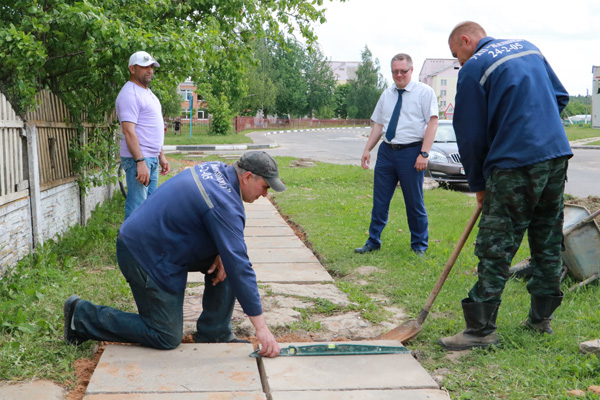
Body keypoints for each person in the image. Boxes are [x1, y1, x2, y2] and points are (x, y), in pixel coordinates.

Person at [63, 151, 285, 358]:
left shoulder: (216, 169)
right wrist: (262, 329)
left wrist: (223, 252)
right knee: (166, 335)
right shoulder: (223, 202)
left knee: (228, 259)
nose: (265, 194)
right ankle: (81, 316)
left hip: (160, 242)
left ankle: (214, 333)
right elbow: (241, 268)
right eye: (265, 187)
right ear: (247, 177)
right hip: (143, 254)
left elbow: (232, 252)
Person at [438, 22, 572, 351]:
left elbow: (469, 136)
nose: (460, 64)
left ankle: (480, 331)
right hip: (556, 155)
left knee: (496, 245)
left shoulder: (474, 70)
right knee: (547, 239)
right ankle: (541, 320)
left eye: (457, 56)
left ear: (466, 40)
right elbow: (560, 97)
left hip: (515, 164)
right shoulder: (529, 47)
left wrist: (479, 185)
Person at [355, 53, 439, 256]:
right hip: (387, 152)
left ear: (411, 70)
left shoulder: (424, 92)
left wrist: (424, 154)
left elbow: (433, 122)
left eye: (403, 71)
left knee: (414, 201)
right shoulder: (387, 94)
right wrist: (368, 149)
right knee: (380, 201)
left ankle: (419, 245)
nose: (399, 75)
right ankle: (373, 241)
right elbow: (379, 124)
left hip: (411, 153)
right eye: (395, 71)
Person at [116, 51, 171, 219]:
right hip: (139, 159)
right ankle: (129, 245)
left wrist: (161, 156)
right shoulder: (129, 94)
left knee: (151, 208)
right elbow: (128, 131)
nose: (149, 70)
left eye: (151, 66)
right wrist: (140, 162)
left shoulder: (148, 93)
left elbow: (151, 128)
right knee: (137, 208)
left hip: (151, 158)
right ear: (132, 69)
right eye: (144, 66)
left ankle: (146, 244)